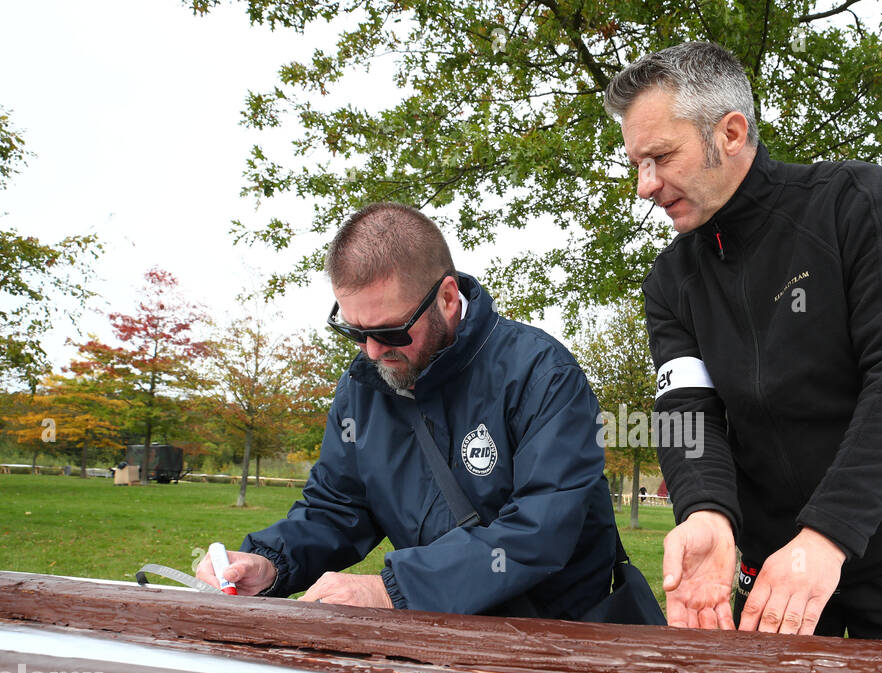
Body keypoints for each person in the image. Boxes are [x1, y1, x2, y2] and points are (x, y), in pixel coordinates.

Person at [604, 42, 882, 643]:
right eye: (636, 163)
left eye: (661, 157)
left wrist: (827, 536)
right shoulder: (670, 281)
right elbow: (689, 411)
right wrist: (706, 513)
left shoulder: (857, 202)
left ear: (730, 132)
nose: (645, 186)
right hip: (768, 564)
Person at [196, 203, 619, 617]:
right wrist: (271, 563)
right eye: (355, 332)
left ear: (448, 299)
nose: (374, 352)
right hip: (435, 635)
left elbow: (540, 531)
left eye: (391, 331)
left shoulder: (542, 374)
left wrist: (394, 589)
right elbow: (337, 509)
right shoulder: (362, 386)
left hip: (554, 641)